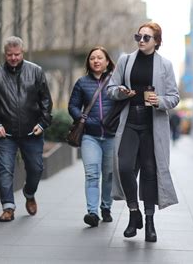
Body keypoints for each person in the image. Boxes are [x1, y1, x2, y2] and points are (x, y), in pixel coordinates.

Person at [107, 22, 179, 242]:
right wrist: (120, 91)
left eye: (147, 37)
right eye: (138, 35)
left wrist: (160, 101)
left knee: (149, 171)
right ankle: (133, 212)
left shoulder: (165, 65)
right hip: (129, 121)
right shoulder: (125, 60)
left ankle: (149, 222)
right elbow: (111, 88)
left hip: (152, 124)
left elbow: (174, 97)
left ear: (156, 41)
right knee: (125, 166)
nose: (141, 40)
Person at [0, 36, 53, 222]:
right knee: (4, 170)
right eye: (9, 55)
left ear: (22, 52)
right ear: (4, 54)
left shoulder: (36, 71)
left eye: (17, 54)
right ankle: (8, 208)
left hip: (32, 132)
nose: (13, 58)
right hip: (5, 133)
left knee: (36, 169)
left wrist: (43, 123)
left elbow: (45, 100)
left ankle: (29, 194)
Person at [68, 46, 116, 227]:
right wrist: (83, 119)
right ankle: (92, 213)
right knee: (92, 174)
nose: (96, 61)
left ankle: (106, 207)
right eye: (92, 58)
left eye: (99, 58)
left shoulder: (115, 82)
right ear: (89, 62)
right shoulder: (82, 83)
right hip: (90, 137)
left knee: (109, 175)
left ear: (107, 62)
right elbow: (72, 106)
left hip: (111, 136)